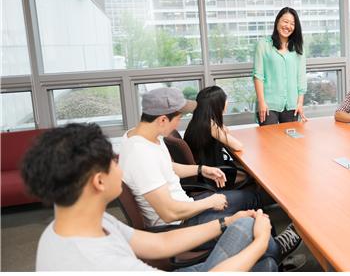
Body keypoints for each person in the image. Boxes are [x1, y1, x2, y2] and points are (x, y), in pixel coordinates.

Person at [20, 123, 278, 271]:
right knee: (264, 260)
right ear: (98, 181)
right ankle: (273, 248)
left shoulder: (78, 224)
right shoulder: (97, 262)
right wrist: (260, 240)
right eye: (113, 162)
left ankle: (269, 248)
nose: (121, 169)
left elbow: (161, 245)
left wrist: (225, 223)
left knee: (245, 226)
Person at [119, 87, 301, 260]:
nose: (180, 122)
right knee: (253, 224)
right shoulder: (140, 154)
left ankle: (273, 251)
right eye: (178, 117)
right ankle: (277, 250)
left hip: (187, 206)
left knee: (253, 198)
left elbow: (169, 167)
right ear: (163, 120)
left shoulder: (142, 136)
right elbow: (169, 213)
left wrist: (201, 169)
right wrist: (210, 201)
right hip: (179, 226)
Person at [253, 7, 307, 126]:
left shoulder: (298, 48)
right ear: (277, 21)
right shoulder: (263, 45)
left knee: (291, 142)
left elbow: (301, 77)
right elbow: (258, 76)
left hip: (292, 104)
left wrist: (300, 103)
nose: (288, 26)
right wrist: (261, 102)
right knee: (269, 141)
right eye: (285, 21)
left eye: (292, 23)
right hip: (268, 104)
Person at [183, 85, 246, 187]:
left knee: (244, 168)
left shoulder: (199, 121)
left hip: (208, 168)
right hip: (211, 176)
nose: (227, 102)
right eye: (225, 100)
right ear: (217, 104)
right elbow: (238, 146)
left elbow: (226, 131)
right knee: (255, 175)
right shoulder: (210, 125)